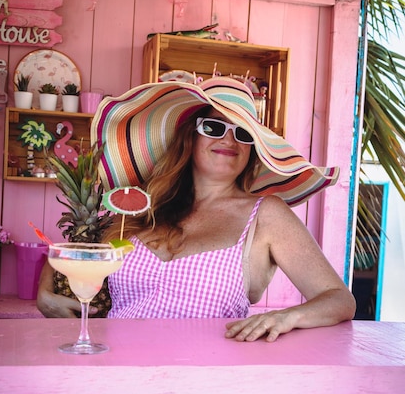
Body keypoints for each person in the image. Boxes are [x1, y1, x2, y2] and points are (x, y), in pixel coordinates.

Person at [37, 76, 355, 341]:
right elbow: (84, 251)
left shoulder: (266, 214)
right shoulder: (147, 203)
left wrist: (289, 316)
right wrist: (45, 293)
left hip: (206, 388)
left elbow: (339, 299)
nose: (229, 140)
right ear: (189, 137)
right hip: (116, 371)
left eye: (243, 133)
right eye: (214, 128)